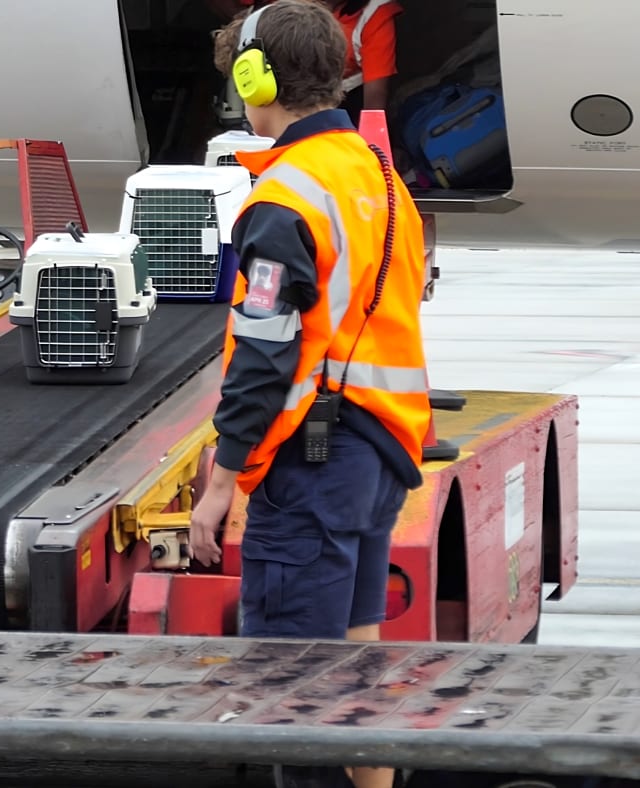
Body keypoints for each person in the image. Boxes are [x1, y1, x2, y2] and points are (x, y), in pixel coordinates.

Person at [189, 2, 430, 787]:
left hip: (315, 464)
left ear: (254, 79)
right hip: (379, 451)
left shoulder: (287, 196)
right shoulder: (378, 175)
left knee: (296, 697)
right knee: (354, 677)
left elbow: (264, 351)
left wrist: (223, 480)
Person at [216, 0, 403, 125]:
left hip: (344, 97)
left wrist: (371, 148)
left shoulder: (375, 13)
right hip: (273, 86)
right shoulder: (267, 9)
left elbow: (374, 103)